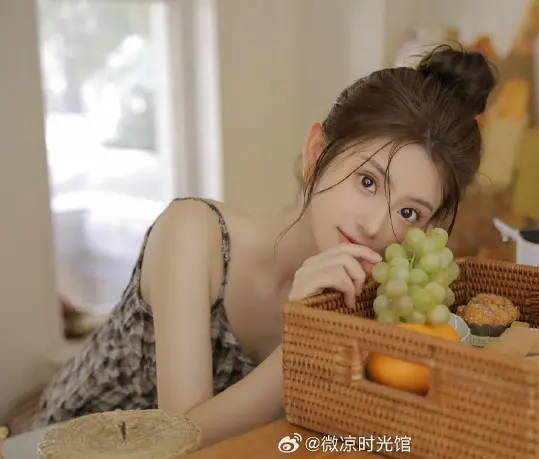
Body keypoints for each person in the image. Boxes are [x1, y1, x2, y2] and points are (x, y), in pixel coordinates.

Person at [35, 44, 496, 447]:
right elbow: (178, 440)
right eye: (368, 181)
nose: (376, 225)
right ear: (316, 154)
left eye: (409, 212)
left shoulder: (372, 295)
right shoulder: (193, 234)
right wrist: (302, 337)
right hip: (59, 443)